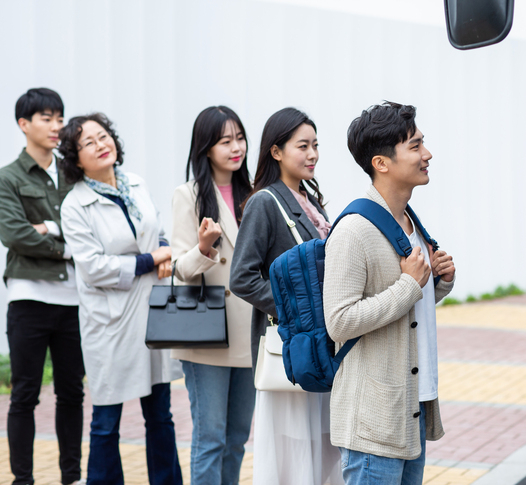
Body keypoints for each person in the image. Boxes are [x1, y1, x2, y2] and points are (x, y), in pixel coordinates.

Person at [323, 102, 456, 484]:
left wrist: (438, 282)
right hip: (373, 421)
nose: (426, 154)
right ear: (382, 163)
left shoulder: (410, 220)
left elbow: (407, 312)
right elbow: (339, 321)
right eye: (415, 146)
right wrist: (408, 285)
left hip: (411, 405)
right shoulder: (354, 230)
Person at [58, 113, 183, 485]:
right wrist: (150, 260)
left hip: (151, 311)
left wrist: (162, 250)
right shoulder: (74, 206)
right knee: (106, 419)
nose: (101, 145)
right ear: (75, 158)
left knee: (160, 413)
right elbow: (94, 268)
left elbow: (157, 231)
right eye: (89, 143)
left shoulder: (136, 183)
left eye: (104, 136)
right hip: (110, 322)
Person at [229, 107, 343, 485]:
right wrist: (296, 310)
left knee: (321, 448)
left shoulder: (311, 200)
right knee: (294, 454)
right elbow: (242, 277)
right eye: (302, 146)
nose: (312, 154)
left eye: (315, 146)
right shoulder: (265, 202)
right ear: (276, 152)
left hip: (318, 345)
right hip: (292, 345)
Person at [0, 88, 85, 485]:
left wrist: (51, 228)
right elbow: (15, 234)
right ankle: (23, 480)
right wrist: (70, 250)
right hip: (29, 298)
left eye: (59, 118)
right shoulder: (8, 178)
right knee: (25, 395)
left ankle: (72, 477)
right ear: (24, 124)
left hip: (73, 300)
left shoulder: (73, 171)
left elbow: (91, 226)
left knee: (72, 393)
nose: (56, 127)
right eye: (47, 118)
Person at [170, 106, 255, 484]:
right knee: (210, 437)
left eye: (239, 138)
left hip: (250, 333)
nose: (236, 148)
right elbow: (180, 269)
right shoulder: (187, 196)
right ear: (206, 148)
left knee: (237, 438)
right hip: (207, 335)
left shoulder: (254, 195)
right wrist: (204, 247)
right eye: (225, 141)